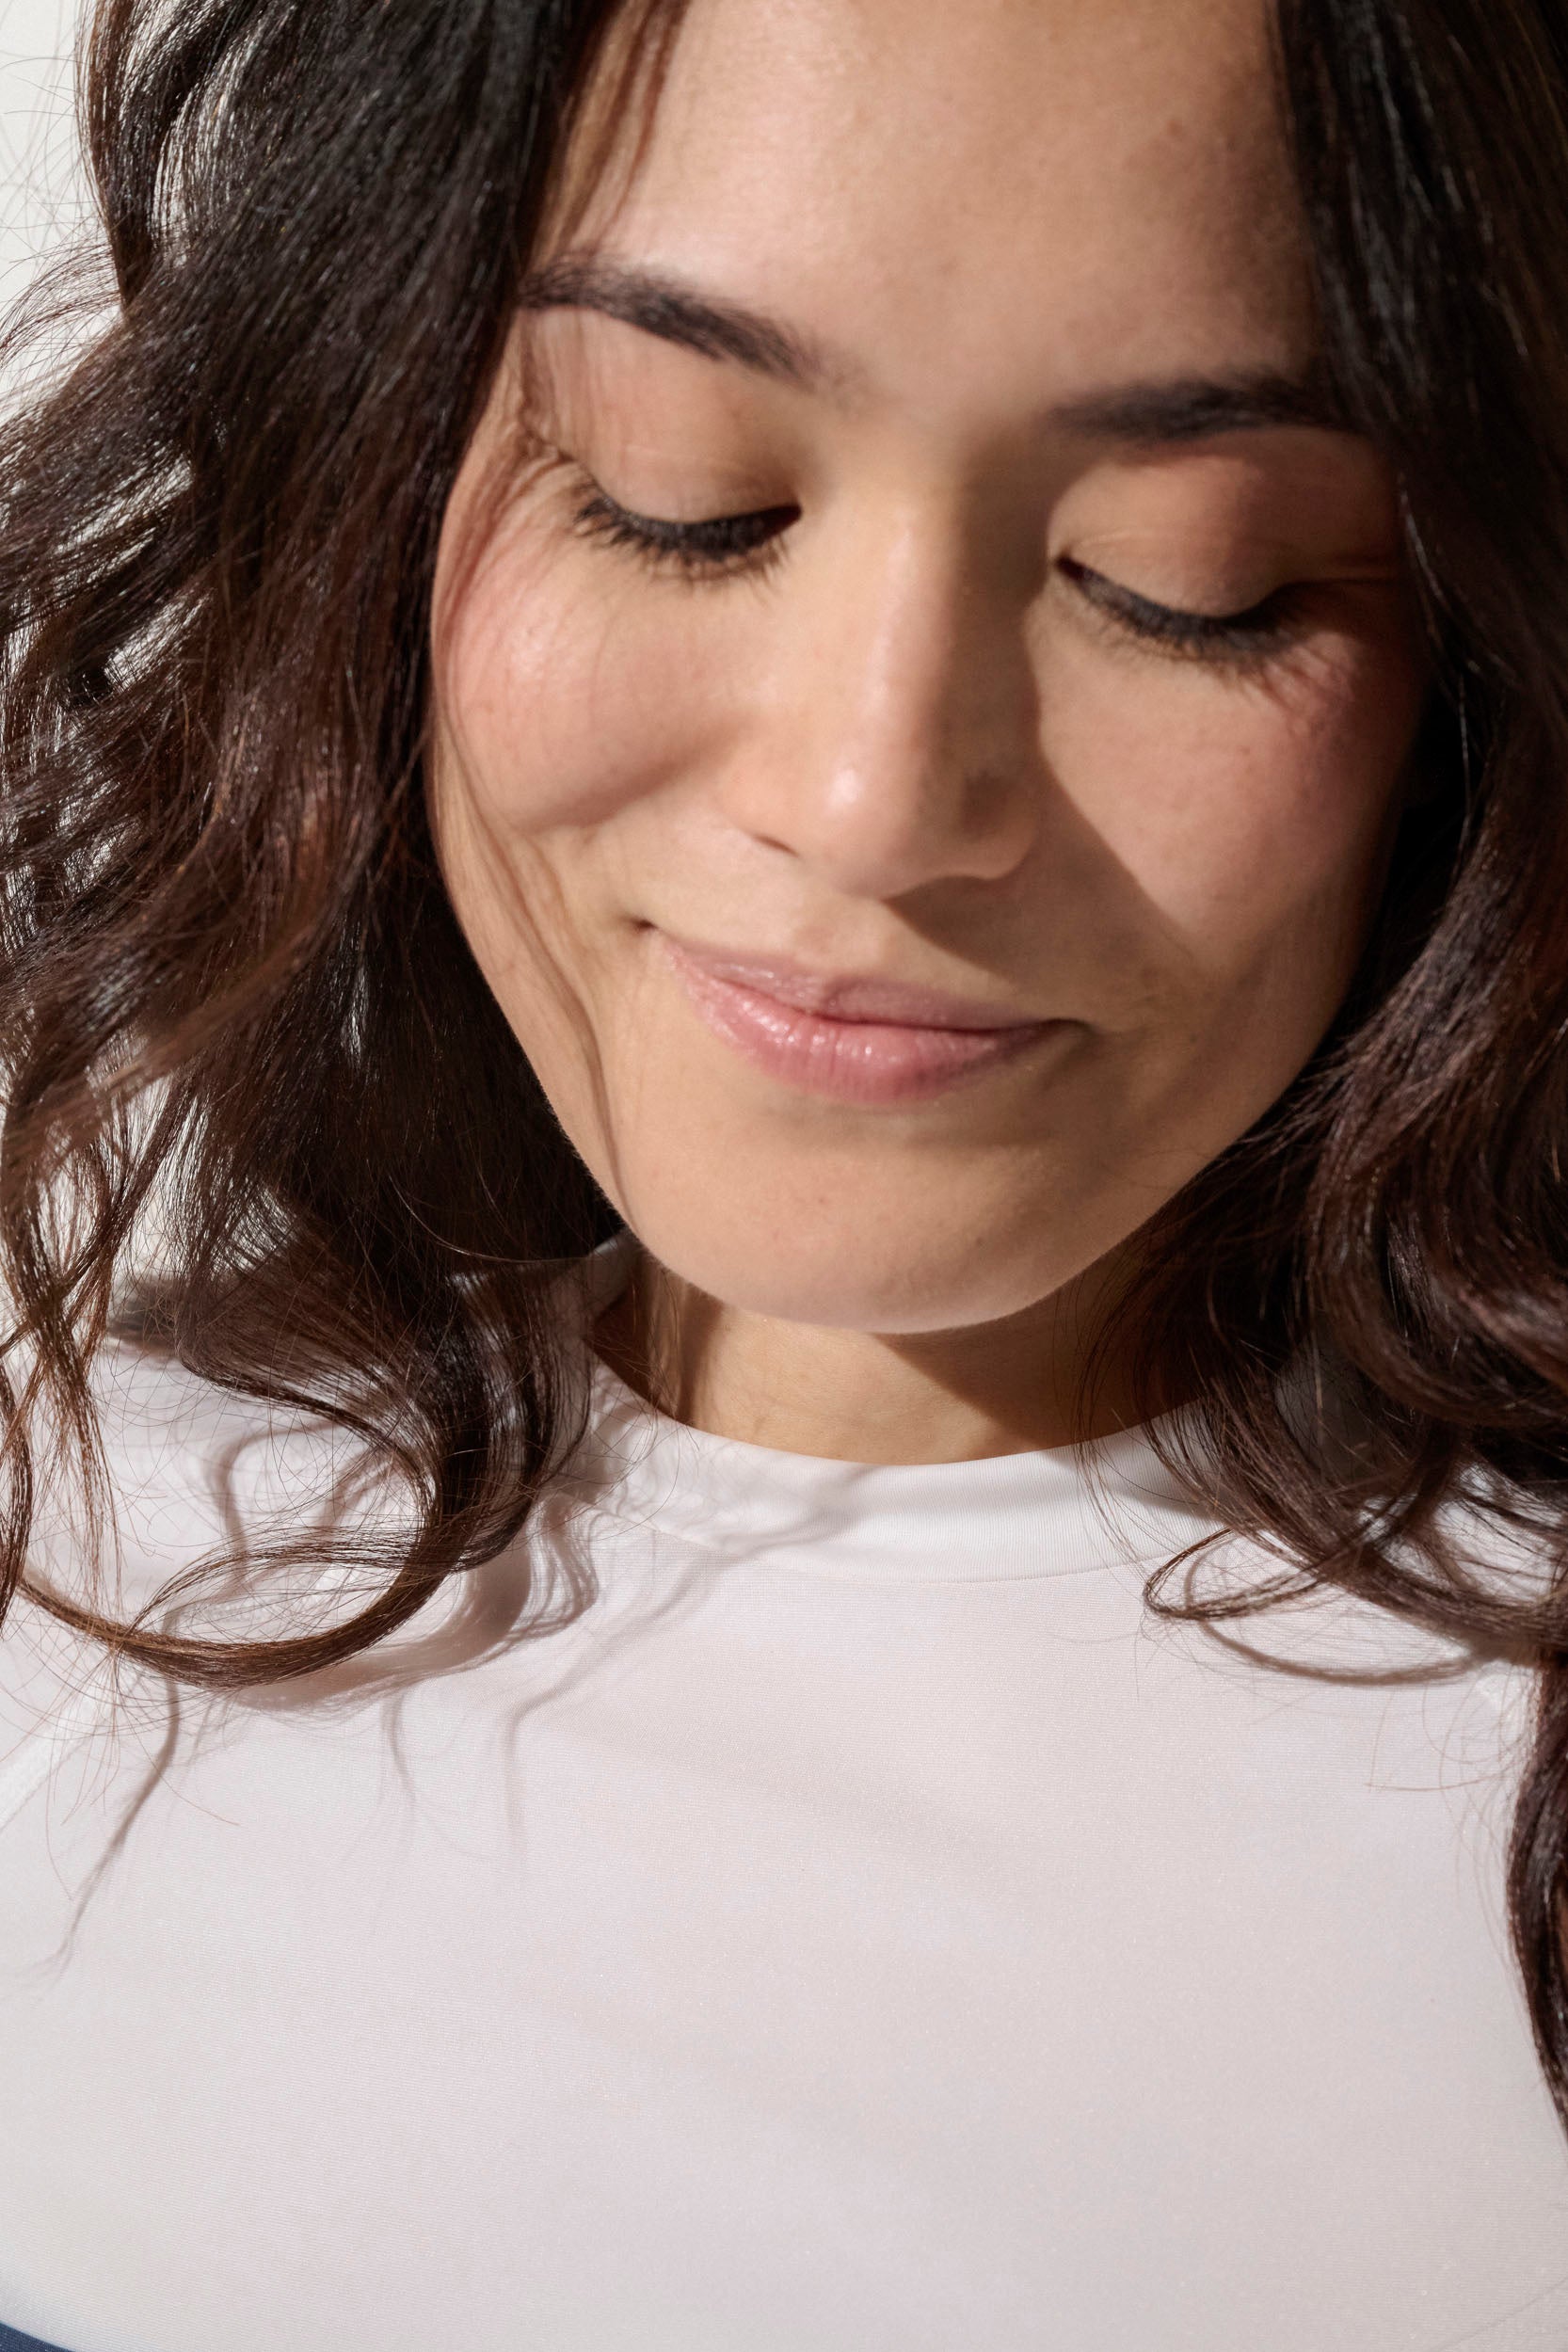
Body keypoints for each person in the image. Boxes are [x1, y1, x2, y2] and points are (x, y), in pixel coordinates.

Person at [1, 0, 1567, 2343]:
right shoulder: (65, 1541)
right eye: (677, 489)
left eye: (1190, 575)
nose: (867, 794)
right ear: (378, 460)